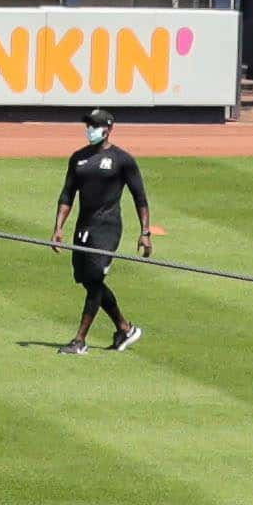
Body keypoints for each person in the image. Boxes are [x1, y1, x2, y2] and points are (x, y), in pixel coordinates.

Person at [58, 106, 154, 349]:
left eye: (95, 125)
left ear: (109, 129)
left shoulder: (123, 160)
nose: (90, 130)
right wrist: (58, 228)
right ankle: (124, 328)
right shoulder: (78, 158)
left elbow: (140, 198)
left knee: (95, 278)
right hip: (83, 228)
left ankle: (80, 340)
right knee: (89, 281)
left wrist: (145, 233)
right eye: (88, 125)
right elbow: (67, 195)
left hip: (107, 230)